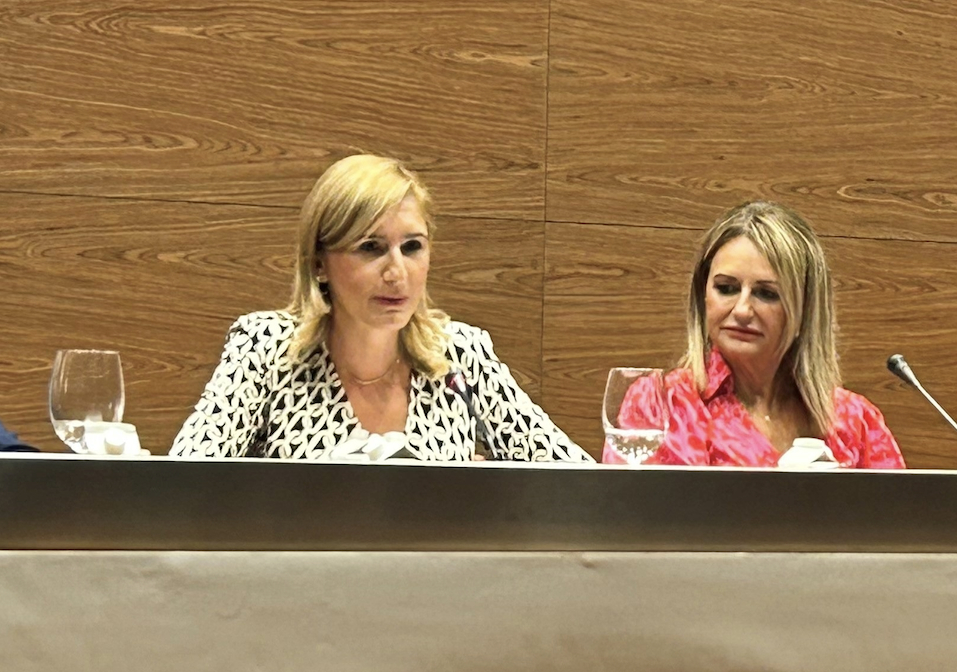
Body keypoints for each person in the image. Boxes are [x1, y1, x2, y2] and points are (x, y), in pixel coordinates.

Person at [171, 154, 589, 462]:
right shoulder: (266, 348)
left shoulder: (461, 354)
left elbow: (572, 477)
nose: (396, 272)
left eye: (412, 247)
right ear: (319, 263)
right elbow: (184, 481)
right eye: (370, 248)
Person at [617, 200, 903, 468]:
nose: (742, 310)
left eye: (766, 294)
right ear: (702, 296)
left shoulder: (855, 420)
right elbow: (635, 516)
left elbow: (904, 519)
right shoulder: (663, 406)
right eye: (726, 288)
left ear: (805, 309)